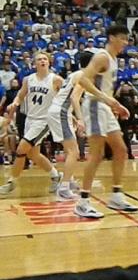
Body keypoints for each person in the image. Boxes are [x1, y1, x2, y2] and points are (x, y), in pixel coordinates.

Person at [73, 25, 138, 219]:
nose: (125, 43)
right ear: (112, 38)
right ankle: (83, 202)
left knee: (121, 150)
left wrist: (115, 105)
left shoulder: (114, 59)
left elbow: (107, 89)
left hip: (105, 107)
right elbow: (83, 80)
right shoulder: (102, 56)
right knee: (97, 155)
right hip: (94, 106)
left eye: (127, 40)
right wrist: (107, 100)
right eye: (122, 39)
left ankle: (117, 195)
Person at [0, 52, 63, 196]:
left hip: (44, 121)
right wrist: (14, 104)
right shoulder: (29, 79)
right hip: (30, 119)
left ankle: (12, 182)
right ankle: (55, 176)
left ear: (49, 62)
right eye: (39, 59)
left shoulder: (56, 80)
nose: (42, 61)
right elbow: (20, 96)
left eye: (45, 59)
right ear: (34, 63)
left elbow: (67, 98)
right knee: (34, 155)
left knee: (21, 150)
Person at [46, 51, 93, 200]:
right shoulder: (84, 76)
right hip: (60, 111)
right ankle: (64, 188)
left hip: (58, 110)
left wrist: (71, 116)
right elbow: (74, 98)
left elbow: (65, 96)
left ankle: (69, 180)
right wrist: (80, 119)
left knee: (69, 150)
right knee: (74, 151)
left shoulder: (76, 74)